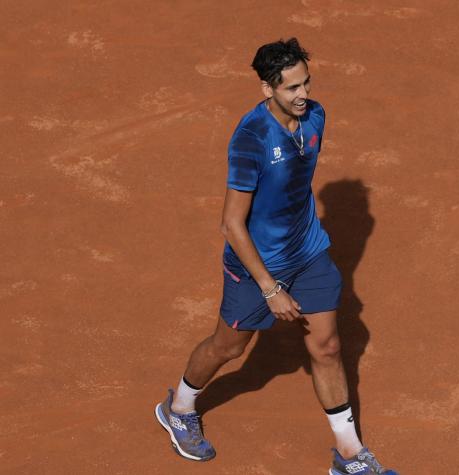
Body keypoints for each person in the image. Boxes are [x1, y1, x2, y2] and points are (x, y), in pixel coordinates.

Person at [154, 38, 396, 475]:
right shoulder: (250, 139)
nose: (303, 95)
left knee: (327, 346)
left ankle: (348, 455)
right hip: (256, 268)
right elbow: (231, 224)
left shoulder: (315, 116)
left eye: (306, 83)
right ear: (267, 89)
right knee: (229, 347)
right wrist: (270, 289)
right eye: (291, 88)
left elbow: (292, 191)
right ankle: (179, 407)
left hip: (308, 253)